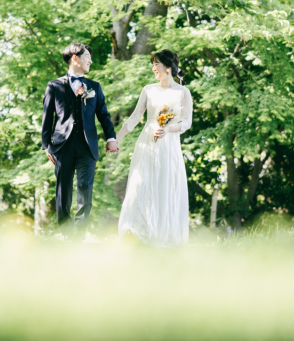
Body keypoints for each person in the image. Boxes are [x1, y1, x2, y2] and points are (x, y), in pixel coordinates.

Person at [116, 49, 193, 247]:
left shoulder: (183, 92)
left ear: (168, 68)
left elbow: (186, 123)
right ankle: (136, 231)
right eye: (152, 64)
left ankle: (161, 232)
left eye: (156, 63)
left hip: (169, 145)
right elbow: (134, 118)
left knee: (164, 184)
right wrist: (115, 139)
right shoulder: (148, 90)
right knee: (141, 184)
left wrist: (168, 129)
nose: (153, 68)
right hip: (147, 143)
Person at [41, 42, 119, 231]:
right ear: (75, 58)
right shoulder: (54, 86)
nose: (90, 61)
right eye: (87, 57)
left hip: (87, 145)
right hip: (62, 146)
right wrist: (47, 146)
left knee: (85, 186)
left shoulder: (95, 87)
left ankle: (79, 234)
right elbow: (47, 117)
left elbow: (103, 115)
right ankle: (66, 233)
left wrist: (111, 138)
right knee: (63, 190)